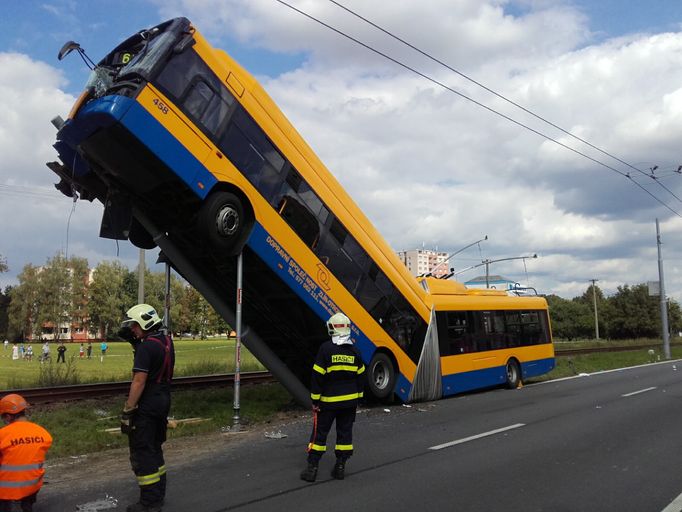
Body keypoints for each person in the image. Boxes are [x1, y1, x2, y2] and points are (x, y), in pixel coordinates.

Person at [119, 304, 175, 512]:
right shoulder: (166, 341)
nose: (132, 328)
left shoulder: (146, 347)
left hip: (148, 404)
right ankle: (158, 495)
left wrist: (128, 408)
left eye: (134, 324)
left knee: (143, 452)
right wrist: (137, 345)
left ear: (144, 323)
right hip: (163, 401)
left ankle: (149, 502)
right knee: (155, 448)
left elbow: (139, 381)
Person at [300, 312, 365, 483]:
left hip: (328, 403)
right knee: (344, 435)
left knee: (319, 435)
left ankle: (312, 469)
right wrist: (357, 399)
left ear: (332, 328)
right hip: (349, 404)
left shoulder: (325, 349)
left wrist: (315, 400)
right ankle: (340, 468)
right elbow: (361, 377)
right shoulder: (355, 351)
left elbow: (317, 376)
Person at [0, 393, 52, 512]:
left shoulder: (2, 434)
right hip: (32, 487)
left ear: (8, 417)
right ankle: (26, 505)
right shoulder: (43, 433)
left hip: (6, 492)